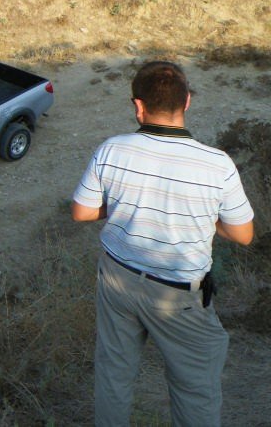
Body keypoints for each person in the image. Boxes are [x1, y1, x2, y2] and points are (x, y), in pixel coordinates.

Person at [71, 60, 254, 427]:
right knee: (195, 393)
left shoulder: (111, 149)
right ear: (187, 102)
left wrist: (124, 204)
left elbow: (81, 212)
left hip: (117, 280)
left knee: (114, 378)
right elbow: (243, 234)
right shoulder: (217, 165)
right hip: (179, 296)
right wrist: (203, 216)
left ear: (138, 106)